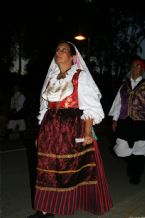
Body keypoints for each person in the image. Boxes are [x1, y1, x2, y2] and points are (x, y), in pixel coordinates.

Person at [28, 41, 112, 218]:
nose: (58, 52)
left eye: (63, 50)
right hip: (50, 129)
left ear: (73, 57)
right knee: (46, 169)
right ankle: (45, 209)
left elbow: (90, 106)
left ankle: (70, 202)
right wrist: (40, 133)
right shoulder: (51, 78)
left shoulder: (80, 77)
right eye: (57, 49)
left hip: (71, 128)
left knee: (70, 168)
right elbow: (44, 109)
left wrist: (88, 132)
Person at [109, 57, 145, 185]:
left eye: (137, 66)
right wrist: (114, 120)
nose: (134, 68)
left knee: (140, 148)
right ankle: (134, 165)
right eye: (133, 66)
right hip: (124, 121)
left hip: (141, 122)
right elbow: (118, 103)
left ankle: (136, 174)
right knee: (120, 149)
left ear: (142, 69)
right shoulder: (124, 85)